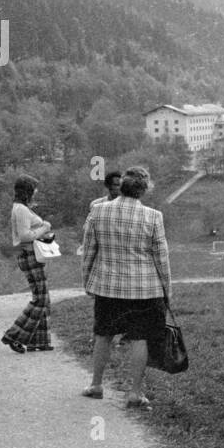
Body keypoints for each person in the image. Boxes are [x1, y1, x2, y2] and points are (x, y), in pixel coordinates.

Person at [81, 166, 170, 406]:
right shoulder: (153, 216)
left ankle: (96, 384)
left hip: (107, 286)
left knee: (103, 334)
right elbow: (161, 257)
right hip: (143, 289)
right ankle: (134, 392)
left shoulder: (97, 211)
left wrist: (87, 281)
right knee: (139, 338)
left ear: (122, 187)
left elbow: (88, 251)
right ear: (144, 190)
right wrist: (166, 289)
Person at [2, 174, 55, 353]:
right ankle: (14, 335)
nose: (36, 192)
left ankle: (38, 340)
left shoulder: (21, 208)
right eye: (33, 189)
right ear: (27, 191)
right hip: (29, 253)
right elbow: (25, 236)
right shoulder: (22, 210)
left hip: (29, 254)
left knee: (42, 298)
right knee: (40, 299)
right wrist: (45, 227)